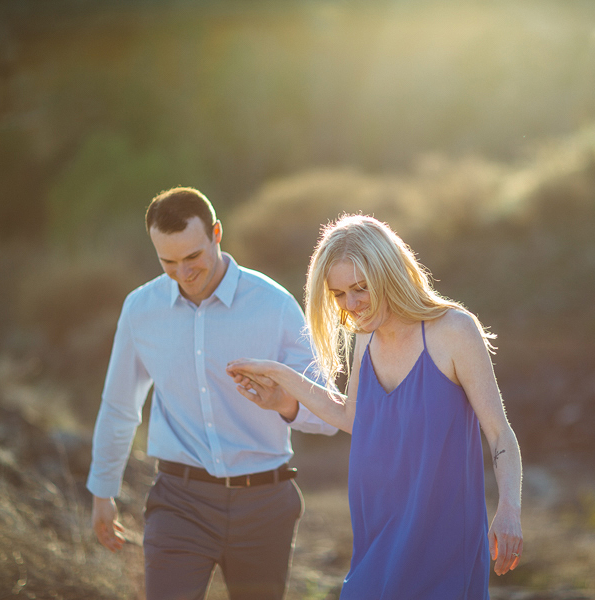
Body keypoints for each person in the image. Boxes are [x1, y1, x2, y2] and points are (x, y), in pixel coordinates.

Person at [226, 214, 524, 599]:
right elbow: (353, 418)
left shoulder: (454, 331)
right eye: (338, 295)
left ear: (389, 273)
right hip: (376, 535)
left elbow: (500, 433)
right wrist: (282, 379)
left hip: (442, 540)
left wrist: (510, 511)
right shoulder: (365, 338)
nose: (350, 305)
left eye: (360, 288)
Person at [86, 187, 337, 600]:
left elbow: (329, 411)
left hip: (265, 506)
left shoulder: (274, 305)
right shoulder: (140, 310)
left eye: (192, 257)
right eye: (168, 261)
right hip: (178, 503)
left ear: (217, 233)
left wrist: (285, 402)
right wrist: (102, 491)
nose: (183, 273)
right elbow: (119, 406)